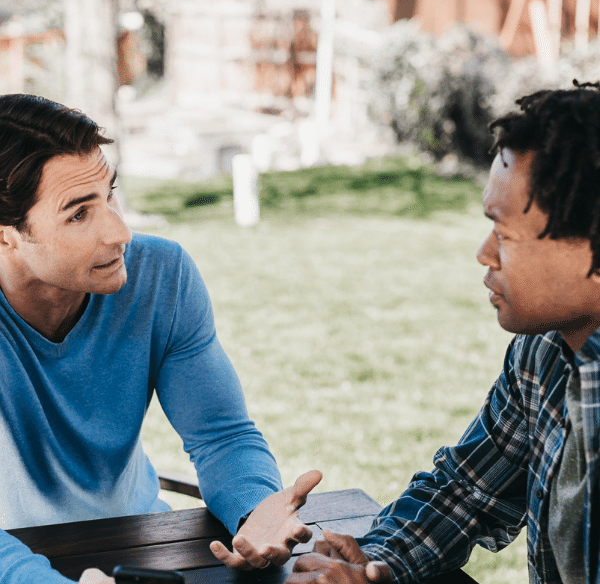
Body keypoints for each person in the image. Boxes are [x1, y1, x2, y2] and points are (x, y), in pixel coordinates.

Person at [0, 93, 322, 584]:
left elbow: (220, 434)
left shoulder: (161, 277)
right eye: (79, 214)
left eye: (109, 194)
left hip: (135, 544)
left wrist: (255, 510)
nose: (121, 232)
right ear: (7, 235)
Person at [286, 80, 600, 584]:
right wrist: (373, 565)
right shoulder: (543, 351)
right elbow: (467, 492)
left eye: (504, 233)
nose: (485, 253)